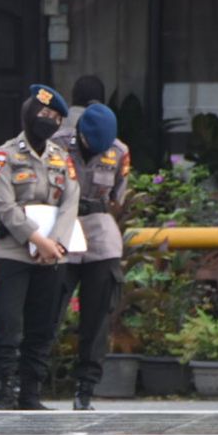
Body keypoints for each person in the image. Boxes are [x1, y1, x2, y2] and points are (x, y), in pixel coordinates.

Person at [0, 84, 80, 410]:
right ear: (29, 114)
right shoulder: (6, 154)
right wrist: (35, 238)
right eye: (44, 114)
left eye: (55, 117)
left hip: (52, 255)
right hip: (12, 252)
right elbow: (4, 205)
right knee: (6, 325)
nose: (49, 121)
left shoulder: (61, 158)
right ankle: (3, 391)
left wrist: (56, 245)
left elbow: (71, 202)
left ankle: (31, 393)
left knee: (42, 327)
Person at [53, 87, 130, 411]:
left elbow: (119, 197)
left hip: (99, 228)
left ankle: (86, 387)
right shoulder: (58, 143)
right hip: (62, 227)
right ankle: (31, 380)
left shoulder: (119, 151)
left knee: (98, 315)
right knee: (49, 307)